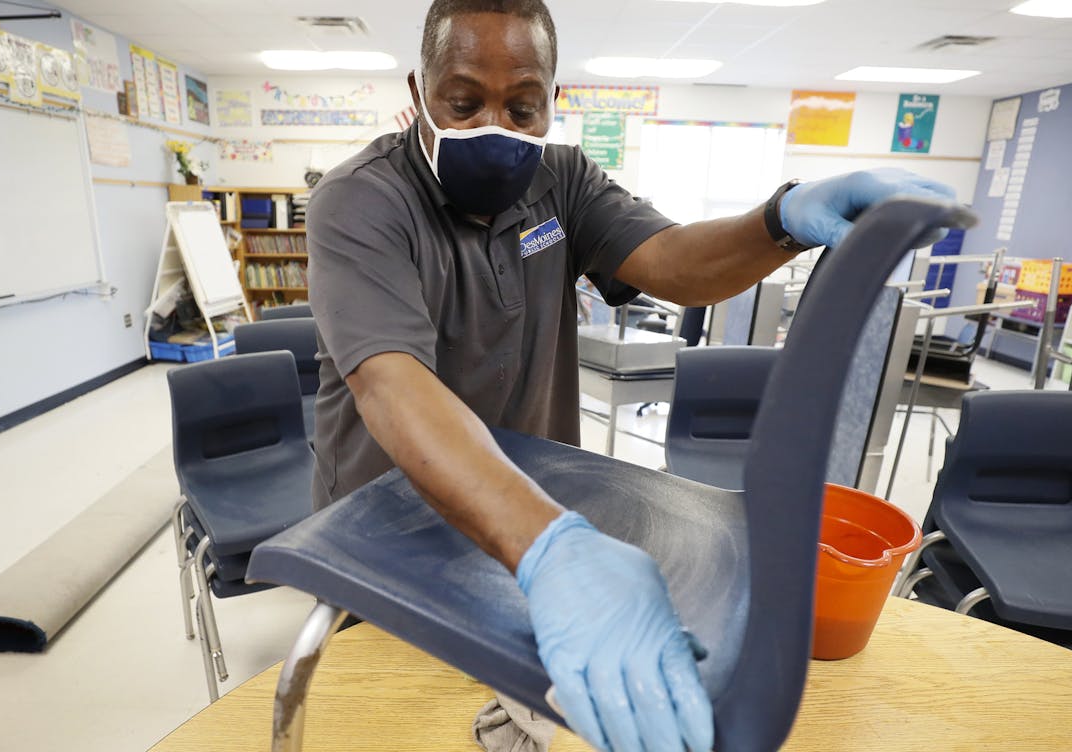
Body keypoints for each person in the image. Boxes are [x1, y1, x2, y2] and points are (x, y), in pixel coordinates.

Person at [306, 1, 955, 750]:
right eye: (463, 103)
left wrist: (780, 220)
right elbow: (393, 383)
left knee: (518, 712)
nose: (496, 128)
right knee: (384, 723)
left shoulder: (561, 182)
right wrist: (556, 546)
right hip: (393, 532)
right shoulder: (360, 202)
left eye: (523, 107)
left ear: (554, 99)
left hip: (523, 517)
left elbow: (675, 262)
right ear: (418, 91)